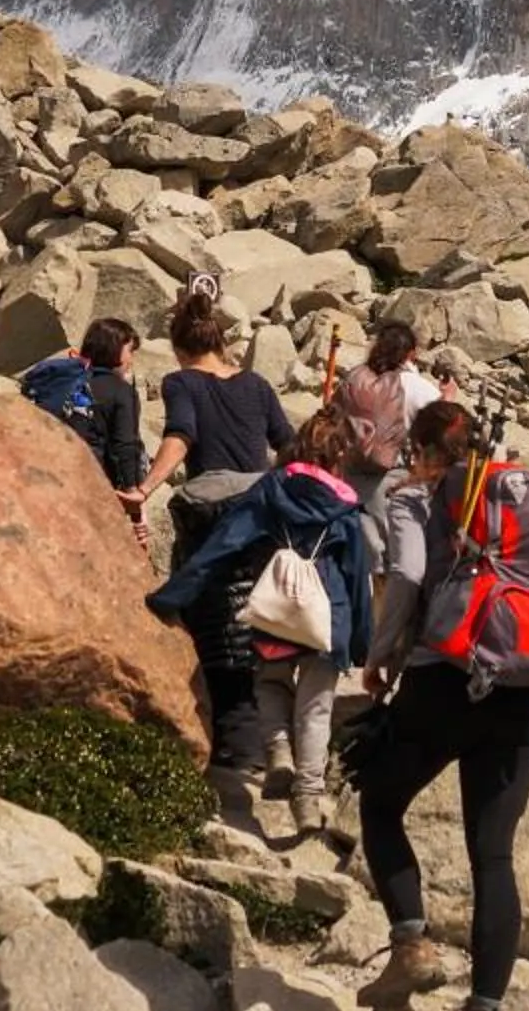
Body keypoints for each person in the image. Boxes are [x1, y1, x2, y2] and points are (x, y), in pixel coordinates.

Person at [351, 401, 529, 1011]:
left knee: (380, 805)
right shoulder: (517, 493)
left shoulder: (414, 497)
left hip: (441, 681)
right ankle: (485, 1004)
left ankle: (411, 946)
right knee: (493, 854)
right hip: (512, 688)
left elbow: (405, 574)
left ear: (426, 453)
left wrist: (380, 654)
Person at [147, 408, 372, 837]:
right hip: (329, 617)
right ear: (339, 457)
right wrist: (360, 642)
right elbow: (356, 578)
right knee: (315, 708)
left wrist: (173, 595)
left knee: (269, 683)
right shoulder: (346, 508)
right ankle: (307, 797)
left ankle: (278, 751)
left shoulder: (273, 489)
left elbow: (224, 544)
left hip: (275, 611)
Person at [126, 277, 294, 801]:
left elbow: (182, 436)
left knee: (216, 623)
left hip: (210, 515)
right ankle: (275, 743)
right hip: (265, 512)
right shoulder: (256, 385)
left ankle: (232, 747)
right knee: (261, 621)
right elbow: (288, 446)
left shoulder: (182, 385)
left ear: (180, 350)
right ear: (221, 342)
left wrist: (146, 488)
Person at [332, 320, 439, 544]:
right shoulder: (417, 387)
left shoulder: (355, 378)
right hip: (392, 481)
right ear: (411, 353)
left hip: (346, 477)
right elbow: (445, 428)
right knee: (393, 554)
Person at [78, 318, 150, 540]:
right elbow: (125, 446)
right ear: (115, 351)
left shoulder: (71, 383)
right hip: (98, 485)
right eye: (129, 351)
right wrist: (133, 497)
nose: (131, 360)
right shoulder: (121, 391)